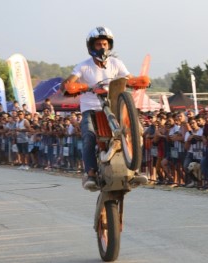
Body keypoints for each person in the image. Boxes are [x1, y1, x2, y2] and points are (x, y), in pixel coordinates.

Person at [61, 26, 148, 191]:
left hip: (114, 106)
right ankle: (91, 174)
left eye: (105, 44)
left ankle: (134, 170)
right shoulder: (83, 66)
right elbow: (68, 84)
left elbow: (129, 78)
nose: (102, 47)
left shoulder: (116, 63)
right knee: (89, 137)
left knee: (138, 131)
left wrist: (139, 81)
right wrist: (79, 86)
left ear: (110, 46)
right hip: (91, 109)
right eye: (98, 44)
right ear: (91, 46)